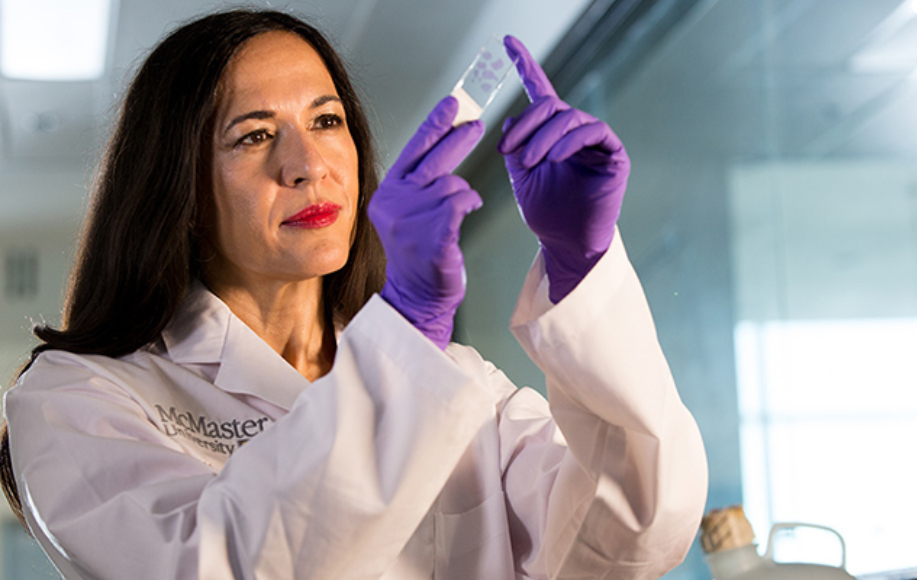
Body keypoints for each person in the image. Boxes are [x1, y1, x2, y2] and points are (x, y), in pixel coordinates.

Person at [0, 8, 708, 580]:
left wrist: (578, 265)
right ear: (177, 189)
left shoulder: (459, 388)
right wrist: (403, 329)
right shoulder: (78, 398)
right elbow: (219, 568)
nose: (306, 164)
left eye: (326, 121)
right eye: (253, 136)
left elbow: (629, 539)